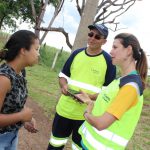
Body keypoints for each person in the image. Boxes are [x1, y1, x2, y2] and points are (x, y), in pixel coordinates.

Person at [47, 24, 116, 150]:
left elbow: (108, 92)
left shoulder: (108, 61)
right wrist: (63, 86)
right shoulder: (76, 54)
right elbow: (63, 76)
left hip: (86, 116)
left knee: (78, 147)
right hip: (64, 111)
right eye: (90, 34)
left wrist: (87, 98)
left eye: (97, 36)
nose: (92, 38)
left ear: (104, 41)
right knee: (55, 144)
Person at [76, 33, 148, 150]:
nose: (110, 52)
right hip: (90, 145)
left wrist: (86, 113)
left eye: (115, 47)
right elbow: (108, 98)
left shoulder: (130, 87)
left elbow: (101, 124)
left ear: (128, 50)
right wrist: (89, 99)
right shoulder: (121, 80)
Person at [0, 30, 40, 150]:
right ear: (23, 50)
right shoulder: (4, 79)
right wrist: (21, 116)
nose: (38, 54)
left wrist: (26, 119)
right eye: (36, 49)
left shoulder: (21, 72)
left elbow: (10, 105)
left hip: (12, 137)